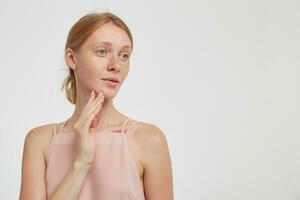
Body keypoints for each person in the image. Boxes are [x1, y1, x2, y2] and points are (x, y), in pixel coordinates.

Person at [19, 12, 173, 200]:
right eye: (102, 51)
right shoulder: (40, 141)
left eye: (124, 55)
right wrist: (81, 163)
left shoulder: (149, 140)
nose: (116, 65)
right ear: (72, 59)